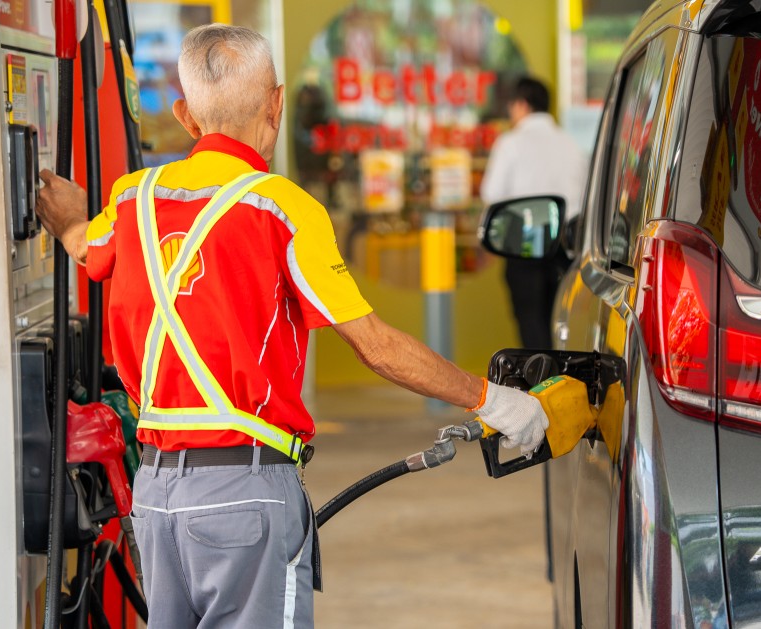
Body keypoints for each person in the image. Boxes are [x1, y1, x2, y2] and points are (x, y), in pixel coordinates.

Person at [36, 24, 549, 629]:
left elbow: (82, 243)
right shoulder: (283, 209)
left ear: (184, 114)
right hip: (244, 494)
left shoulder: (131, 199)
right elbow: (377, 347)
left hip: (153, 499)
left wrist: (62, 209)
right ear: (277, 102)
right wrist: (494, 401)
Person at [480, 76, 588, 350]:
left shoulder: (510, 143)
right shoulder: (571, 145)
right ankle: (560, 385)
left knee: (530, 322)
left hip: (525, 245)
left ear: (521, 105)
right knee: (559, 322)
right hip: (566, 249)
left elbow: (490, 194)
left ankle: (538, 388)